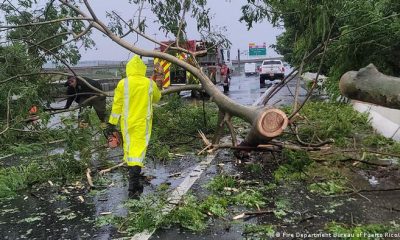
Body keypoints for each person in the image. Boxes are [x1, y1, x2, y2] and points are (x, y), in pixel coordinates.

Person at [107, 55, 161, 198]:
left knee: (131, 152)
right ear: (142, 68)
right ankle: (132, 188)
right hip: (143, 124)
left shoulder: (123, 83)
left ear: (129, 68)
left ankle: (135, 185)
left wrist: (111, 123)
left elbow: (117, 105)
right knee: (138, 153)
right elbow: (157, 98)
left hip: (127, 124)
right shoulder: (149, 83)